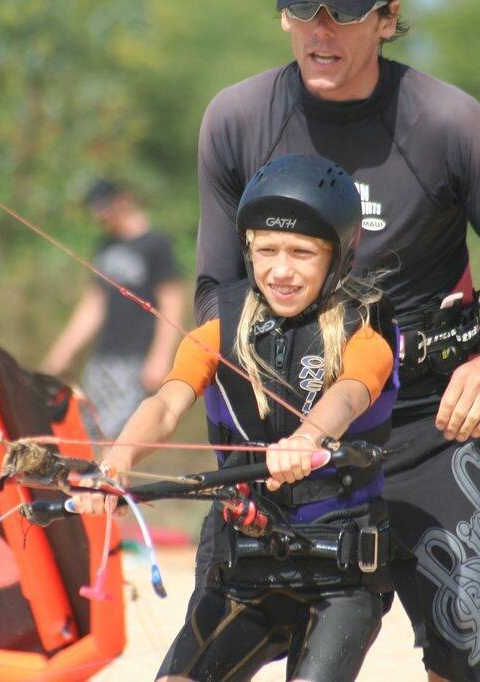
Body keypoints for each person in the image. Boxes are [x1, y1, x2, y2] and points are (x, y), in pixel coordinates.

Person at [192, 2, 480, 680]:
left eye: (344, 11)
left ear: (387, 17)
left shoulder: (451, 123)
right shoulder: (238, 118)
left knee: (475, 655)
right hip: (289, 435)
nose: (322, 28)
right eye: (303, 8)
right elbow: (214, 296)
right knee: (203, 656)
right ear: (282, 17)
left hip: (423, 425)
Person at [70, 154, 400, 681]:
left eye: (302, 253)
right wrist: (117, 462)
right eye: (266, 250)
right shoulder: (218, 330)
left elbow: (349, 395)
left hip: (339, 577)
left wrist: (307, 438)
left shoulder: (366, 334)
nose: (281, 270)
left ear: (338, 256)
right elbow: (165, 404)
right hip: (241, 566)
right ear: (248, 251)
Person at [42, 180, 183, 438]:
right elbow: (93, 306)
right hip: (102, 359)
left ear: (123, 200)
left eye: (105, 208)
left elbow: (172, 302)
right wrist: (61, 354)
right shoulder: (105, 247)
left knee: (121, 436)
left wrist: (161, 356)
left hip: (136, 360)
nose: (101, 216)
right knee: (88, 432)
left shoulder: (156, 244)